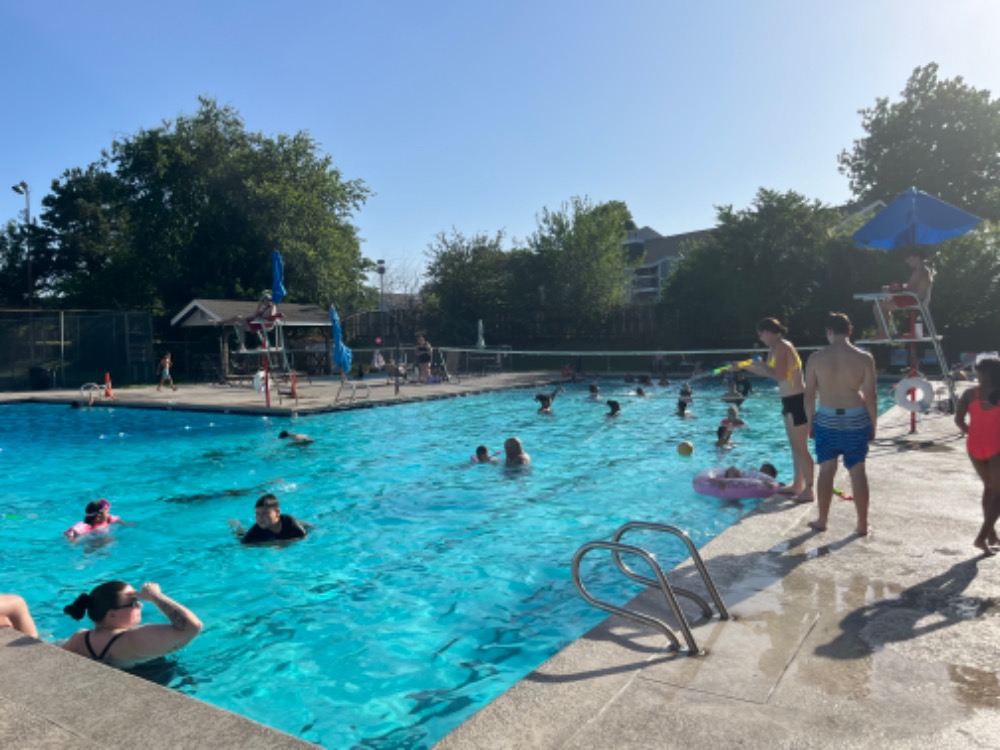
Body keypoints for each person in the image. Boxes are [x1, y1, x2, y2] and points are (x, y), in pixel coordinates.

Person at [803, 312, 877, 536]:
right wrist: (873, 424)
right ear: (850, 330)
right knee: (858, 471)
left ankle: (822, 520)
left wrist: (810, 423)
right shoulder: (864, 358)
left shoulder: (815, 358)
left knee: (826, 470)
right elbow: (871, 396)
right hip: (856, 419)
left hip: (826, 419)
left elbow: (809, 396)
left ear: (828, 332)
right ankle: (862, 524)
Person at [747, 317, 815, 503]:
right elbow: (768, 373)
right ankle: (797, 485)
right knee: (795, 446)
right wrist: (747, 367)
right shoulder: (774, 348)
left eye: (760, 334)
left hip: (797, 400)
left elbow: (779, 375)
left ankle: (809, 490)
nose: (760, 338)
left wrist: (761, 365)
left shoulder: (783, 346)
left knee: (801, 447)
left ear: (767, 332)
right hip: (789, 400)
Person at [62, 581, 202, 668]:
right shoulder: (134, 639)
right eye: (133, 603)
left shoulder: (80, 638)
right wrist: (155, 596)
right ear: (112, 615)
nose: (140, 605)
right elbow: (192, 627)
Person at [954, 355, 1000, 555]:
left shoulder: (969, 394)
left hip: (974, 446)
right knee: (998, 494)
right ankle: (981, 538)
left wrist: (971, 432)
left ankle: (992, 535)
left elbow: (958, 420)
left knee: (989, 488)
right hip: (997, 447)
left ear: (983, 374)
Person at [874, 250, 933, 338]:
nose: (908, 262)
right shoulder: (925, 270)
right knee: (884, 304)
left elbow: (908, 288)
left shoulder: (920, 271)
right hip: (915, 298)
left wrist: (890, 290)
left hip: (915, 299)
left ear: (917, 258)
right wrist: (891, 289)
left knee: (878, 306)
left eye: (910, 259)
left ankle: (883, 333)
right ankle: (884, 332)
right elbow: (911, 286)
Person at [231, 494, 308, 544]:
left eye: (265, 513)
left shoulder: (290, 522)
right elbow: (244, 546)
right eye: (257, 514)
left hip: (305, 527)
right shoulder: (256, 530)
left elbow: (304, 538)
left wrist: (276, 544)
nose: (260, 518)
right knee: (241, 536)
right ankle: (236, 526)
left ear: (277, 513)